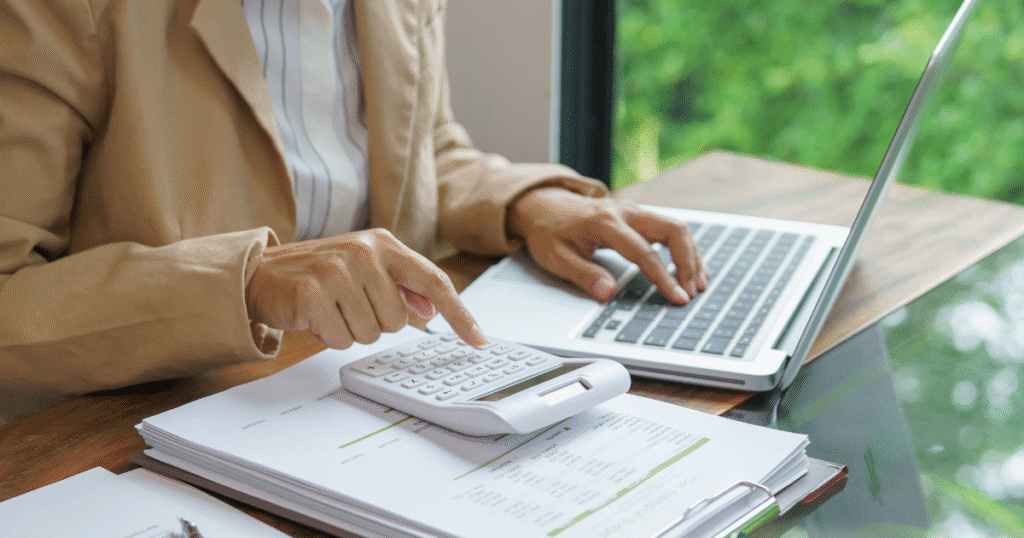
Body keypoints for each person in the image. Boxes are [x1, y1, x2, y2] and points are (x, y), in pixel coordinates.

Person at [0, 0, 706, 420]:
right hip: (145, 421)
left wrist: (525, 203)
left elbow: (426, 151)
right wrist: (244, 282)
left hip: (357, 395)